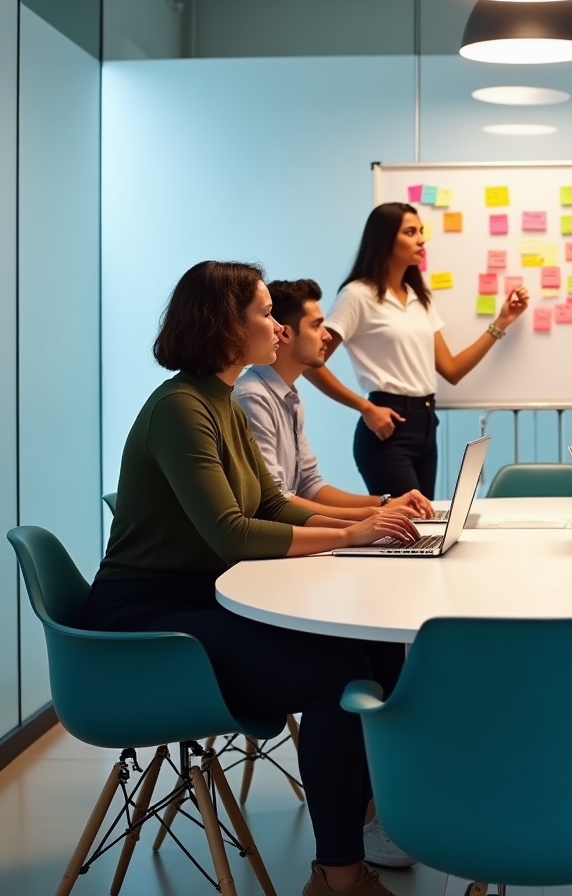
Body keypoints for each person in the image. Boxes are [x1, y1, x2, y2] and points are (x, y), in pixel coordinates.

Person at [82, 260, 421, 896]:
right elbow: (231, 533)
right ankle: (340, 875)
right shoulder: (184, 408)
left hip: (193, 599)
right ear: (225, 326)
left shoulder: (221, 400)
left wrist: (368, 518)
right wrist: (348, 535)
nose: (279, 327)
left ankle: (376, 820)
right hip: (144, 624)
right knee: (337, 675)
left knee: (373, 650)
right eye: (265, 314)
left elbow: (272, 503)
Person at [305, 202, 530, 499]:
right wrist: (365, 407)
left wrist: (501, 322)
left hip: (426, 424)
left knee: (424, 529)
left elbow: (452, 370)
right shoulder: (357, 295)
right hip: (388, 428)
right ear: (385, 240)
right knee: (408, 526)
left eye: (421, 231)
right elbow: (310, 363)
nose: (421, 239)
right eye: (410, 232)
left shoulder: (419, 297)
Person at [235, 277, 434, 521]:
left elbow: (311, 486)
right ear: (285, 333)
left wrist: (386, 502)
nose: (327, 336)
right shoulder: (253, 397)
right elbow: (276, 502)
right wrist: (373, 515)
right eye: (317, 326)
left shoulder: (288, 397)